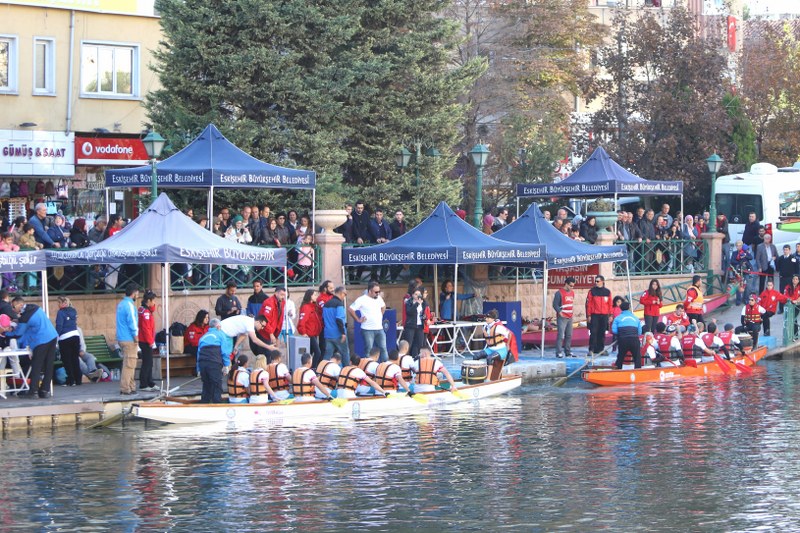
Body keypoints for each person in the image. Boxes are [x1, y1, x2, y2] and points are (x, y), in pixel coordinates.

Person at [8, 296, 58, 398]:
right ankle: (45, 390)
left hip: (41, 340)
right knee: (49, 365)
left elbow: (18, 333)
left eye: (13, 307)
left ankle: (33, 391)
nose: (13, 310)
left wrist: (6, 333)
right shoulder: (35, 307)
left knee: (36, 365)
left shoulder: (25, 317)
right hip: (52, 336)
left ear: (20, 305)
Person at [348, 281, 387, 362]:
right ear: (369, 291)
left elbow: (383, 307)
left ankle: (385, 367)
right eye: (376, 292)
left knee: (383, 348)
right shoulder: (361, 299)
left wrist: (380, 315)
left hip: (379, 328)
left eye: (379, 292)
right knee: (368, 350)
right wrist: (358, 319)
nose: (378, 293)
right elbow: (350, 309)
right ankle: (368, 367)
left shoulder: (379, 298)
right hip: (367, 329)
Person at [196, 319, 233, 403]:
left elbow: (198, 355)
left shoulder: (203, 337)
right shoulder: (220, 335)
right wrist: (226, 365)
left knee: (206, 386)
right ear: (218, 326)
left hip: (203, 364)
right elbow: (224, 352)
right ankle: (217, 407)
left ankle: (204, 405)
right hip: (214, 363)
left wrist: (198, 369)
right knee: (216, 386)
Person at [115, 284, 139, 396]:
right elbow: (132, 322)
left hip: (122, 337)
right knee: (129, 365)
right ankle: (125, 388)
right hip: (129, 338)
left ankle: (131, 386)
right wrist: (136, 336)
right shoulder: (129, 305)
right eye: (137, 294)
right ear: (133, 293)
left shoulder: (121, 304)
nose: (138, 296)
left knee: (129, 363)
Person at [53, 296, 82, 387]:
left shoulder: (60, 313)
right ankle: (78, 379)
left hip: (65, 338)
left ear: (63, 303)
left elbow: (59, 326)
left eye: (59, 303)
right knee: (75, 358)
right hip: (75, 335)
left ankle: (71, 380)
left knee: (67, 360)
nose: (58, 305)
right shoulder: (73, 311)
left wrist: (56, 337)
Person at [478, 309, 511, 381]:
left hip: (501, 350)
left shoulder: (498, 327)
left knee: (489, 358)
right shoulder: (486, 327)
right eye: (486, 317)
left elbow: (509, 334)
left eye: (488, 318)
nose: (486, 319)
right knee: (476, 356)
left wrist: (507, 345)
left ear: (493, 319)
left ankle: (488, 379)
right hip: (491, 349)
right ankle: (477, 376)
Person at [586, 275, 613, 357]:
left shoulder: (607, 292)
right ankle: (591, 349)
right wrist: (588, 315)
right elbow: (589, 304)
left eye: (598, 281)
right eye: (595, 281)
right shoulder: (592, 291)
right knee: (593, 332)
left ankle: (600, 349)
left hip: (604, 315)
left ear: (602, 281)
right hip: (595, 315)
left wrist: (610, 315)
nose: (596, 283)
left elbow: (610, 304)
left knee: (602, 333)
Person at [323, 286, 350, 364]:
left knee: (327, 355)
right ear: (341, 293)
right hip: (338, 334)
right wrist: (343, 333)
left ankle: (321, 371)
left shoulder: (326, 304)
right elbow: (339, 319)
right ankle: (347, 372)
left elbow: (324, 318)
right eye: (345, 294)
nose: (345, 296)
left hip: (328, 334)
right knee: (345, 353)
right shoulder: (339, 304)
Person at [137, 291, 158, 392]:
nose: (154, 303)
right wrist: (150, 342)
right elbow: (145, 329)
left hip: (146, 339)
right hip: (145, 340)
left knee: (149, 362)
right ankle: (143, 384)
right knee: (147, 362)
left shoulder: (144, 309)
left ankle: (150, 382)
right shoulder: (145, 312)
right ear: (148, 301)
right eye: (153, 301)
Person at [612, 301, 642, 369]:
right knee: (637, 358)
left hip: (623, 340)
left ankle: (617, 372)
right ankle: (639, 373)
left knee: (620, 357)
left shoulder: (617, 318)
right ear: (629, 308)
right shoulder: (636, 318)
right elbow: (639, 332)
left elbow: (614, 331)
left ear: (621, 309)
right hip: (634, 339)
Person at [298, 289, 324, 366]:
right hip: (309, 334)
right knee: (317, 352)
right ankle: (313, 368)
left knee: (310, 353)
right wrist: (303, 332)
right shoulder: (306, 307)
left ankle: (308, 367)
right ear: (310, 296)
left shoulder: (313, 306)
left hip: (314, 333)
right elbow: (302, 321)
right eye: (314, 295)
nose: (316, 296)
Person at [402, 286, 429, 358]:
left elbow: (424, 313)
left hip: (420, 325)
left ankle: (415, 357)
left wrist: (425, 317)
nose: (418, 296)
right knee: (409, 343)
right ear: (412, 295)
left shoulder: (423, 303)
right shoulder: (409, 302)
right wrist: (416, 304)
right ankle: (406, 358)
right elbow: (409, 312)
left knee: (419, 343)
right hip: (410, 325)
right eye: (416, 294)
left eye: (419, 294)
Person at [552, 277, 575, 358]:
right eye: (571, 286)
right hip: (562, 317)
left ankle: (567, 351)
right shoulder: (559, 293)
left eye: (573, 286)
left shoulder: (572, 293)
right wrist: (559, 311)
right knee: (560, 335)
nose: (572, 288)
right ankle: (558, 352)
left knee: (569, 335)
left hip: (570, 317)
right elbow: (555, 304)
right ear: (566, 284)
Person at [775, 244, 799, 313]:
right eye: (784, 250)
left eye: (787, 250)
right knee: (782, 293)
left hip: (790, 279)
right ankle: (781, 308)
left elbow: (797, 268)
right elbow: (777, 268)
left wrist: (795, 277)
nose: (785, 251)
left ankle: (791, 308)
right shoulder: (780, 258)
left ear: (790, 250)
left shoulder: (793, 258)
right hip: (782, 278)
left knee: (791, 293)